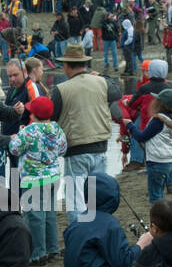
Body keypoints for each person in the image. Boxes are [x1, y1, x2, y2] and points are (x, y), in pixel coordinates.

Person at [63, 172, 148, 267]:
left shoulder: (76, 222)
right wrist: (142, 244)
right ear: (112, 197)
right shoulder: (110, 224)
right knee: (143, 261)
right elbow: (123, 261)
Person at [49, 43, 120, 215]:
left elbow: (52, 117)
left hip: (76, 151)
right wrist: (101, 75)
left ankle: (80, 237)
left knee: (75, 200)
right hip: (101, 147)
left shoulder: (60, 89)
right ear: (85, 64)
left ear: (66, 65)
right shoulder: (101, 82)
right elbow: (117, 92)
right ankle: (96, 233)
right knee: (96, 197)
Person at [9, 96, 67, 266]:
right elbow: (63, 149)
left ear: (34, 114)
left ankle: (37, 253)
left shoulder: (28, 131)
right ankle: (52, 248)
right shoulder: (56, 128)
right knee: (49, 213)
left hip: (33, 179)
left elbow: (14, 149)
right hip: (54, 177)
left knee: (34, 216)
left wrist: (15, 137)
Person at [128, 87, 172, 202]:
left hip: (157, 162)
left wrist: (130, 126)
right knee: (161, 194)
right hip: (169, 162)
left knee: (155, 197)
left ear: (162, 104)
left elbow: (141, 137)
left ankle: (158, 219)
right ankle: (165, 218)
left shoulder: (158, 121)